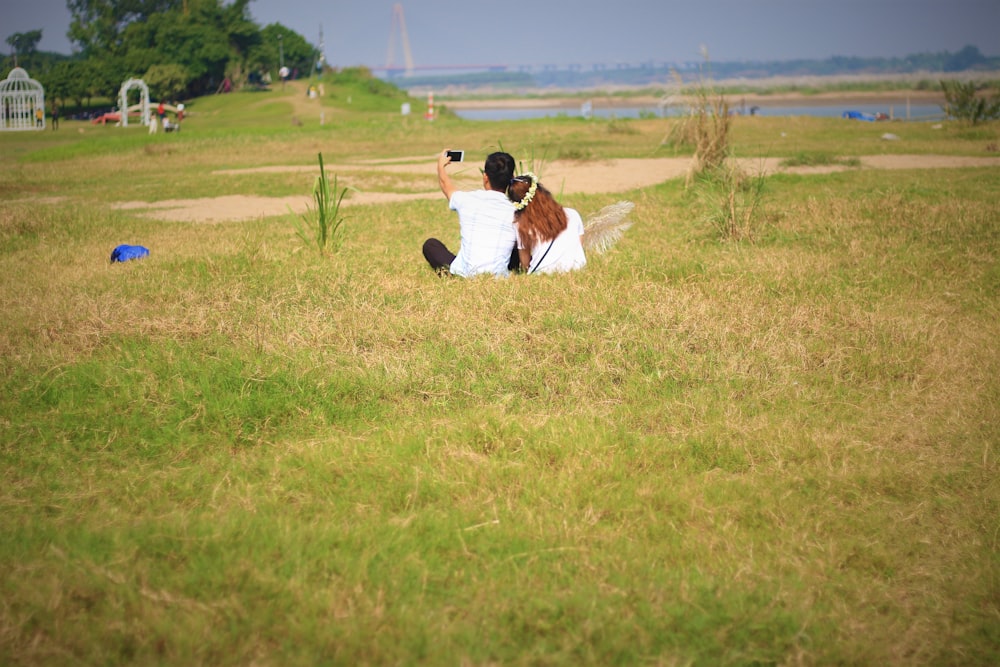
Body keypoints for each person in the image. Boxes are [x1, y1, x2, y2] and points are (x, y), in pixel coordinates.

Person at [422, 151, 519, 277]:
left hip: (464, 273)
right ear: (511, 178)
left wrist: (440, 167)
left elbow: (446, 186)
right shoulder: (515, 210)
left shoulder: (467, 199)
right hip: (497, 277)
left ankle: (451, 274)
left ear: (485, 177)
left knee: (431, 245)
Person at [506, 172, 586, 274]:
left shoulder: (522, 225)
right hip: (577, 270)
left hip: (542, 272)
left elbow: (525, 264)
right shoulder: (572, 214)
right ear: (541, 191)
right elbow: (578, 246)